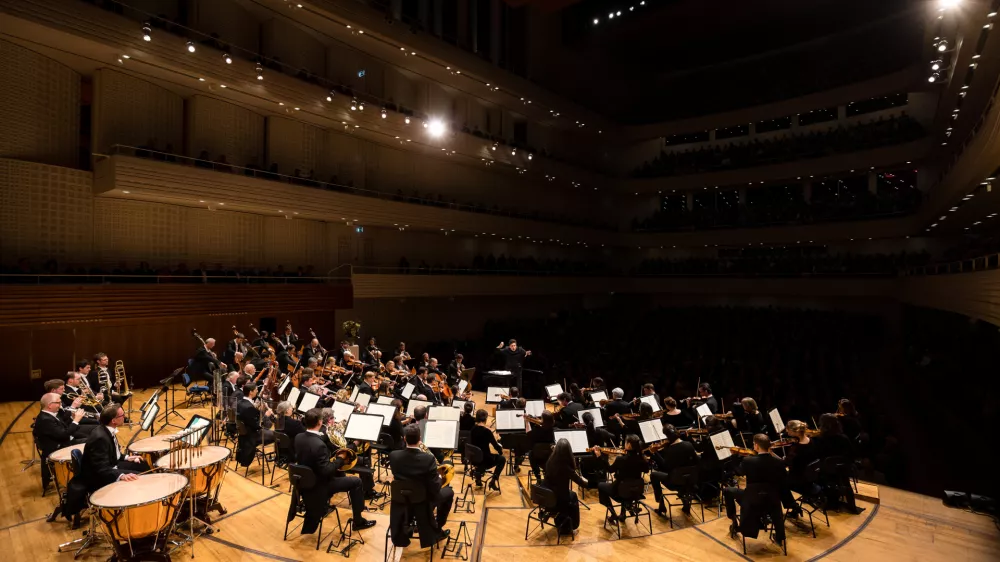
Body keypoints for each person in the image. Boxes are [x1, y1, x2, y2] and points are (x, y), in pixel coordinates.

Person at [293, 409, 377, 533]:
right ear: (320, 422)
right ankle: (358, 521)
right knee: (357, 482)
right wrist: (340, 459)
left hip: (305, 482)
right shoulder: (319, 445)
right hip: (320, 485)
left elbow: (318, 446)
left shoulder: (299, 437)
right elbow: (327, 471)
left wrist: (335, 437)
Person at [388, 425, 454, 547]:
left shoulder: (394, 456)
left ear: (404, 439)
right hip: (422, 500)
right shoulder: (428, 459)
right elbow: (434, 487)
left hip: (401, 498)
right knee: (449, 492)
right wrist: (440, 478)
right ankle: (438, 527)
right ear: (420, 439)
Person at [723, 434, 787, 545]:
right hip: (772, 500)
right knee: (773, 498)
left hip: (752, 500)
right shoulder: (779, 462)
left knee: (728, 490)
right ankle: (779, 536)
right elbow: (784, 479)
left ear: (756, 446)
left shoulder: (749, 461)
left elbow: (739, 472)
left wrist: (734, 457)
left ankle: (733, 519)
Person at [79, 404, 149, 491]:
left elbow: (114, 453)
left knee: (142, 464)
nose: (125, 417)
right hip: (100, 476)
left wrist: (127, 457)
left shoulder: (108, 429)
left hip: (111, 465)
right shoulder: (100, 438)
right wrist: (121, 475)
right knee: (142, 477)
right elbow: (101, 469)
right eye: (122, 415)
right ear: (113, 420)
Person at [34, 393, 89, 490]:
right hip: (59, 447)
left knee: (91, 438)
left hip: (64, 441)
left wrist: (72, 417)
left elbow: (63, 426)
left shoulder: (50, 414)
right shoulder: (45, 419)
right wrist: (76, 420)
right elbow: (63, 434)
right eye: (58, 403)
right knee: (90, 443)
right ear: (50, 405)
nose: (60, 405)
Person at [811, 413, 864, 514]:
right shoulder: (843, 438)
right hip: (844, 469)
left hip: (827, 470)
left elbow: (816, 455)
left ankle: (822, 496)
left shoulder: (820, 439)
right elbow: (852, 455)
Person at [648, 423, 699, 517]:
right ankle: (686, 503)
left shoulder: (670, 450)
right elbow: (696, 461)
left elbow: (665, 467)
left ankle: (661, 504)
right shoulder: (688, 444)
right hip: (690, 480)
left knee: (654, 475)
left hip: (675, 482)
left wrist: (655, 454)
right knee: (683, 473)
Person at [594, 434, 648, 522]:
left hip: (620, 492)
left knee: (601, 485)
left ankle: (613, 514)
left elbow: (610, 470)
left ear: (629, 445)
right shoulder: (642, 458)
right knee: (626, 482)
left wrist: (599, 456)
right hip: (636, 491)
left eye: (625, 442)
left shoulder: (621, 459)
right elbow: (646, 470)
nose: (624, 444)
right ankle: (624, 512)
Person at [542, 438, 588, 536]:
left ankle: (560, 519)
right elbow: (582, 483)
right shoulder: (566, 467)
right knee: (573, 496)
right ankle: (572, 525)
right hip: (558, 499)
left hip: (548, 495)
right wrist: (587, 481)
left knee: (570, 494)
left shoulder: (550, 460)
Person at [470, 409, 505, 491]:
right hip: (485, 460)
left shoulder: (472, 430)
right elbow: (496, 446)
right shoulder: (487, 432)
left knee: (483, 459)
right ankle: (493, 481)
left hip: (474, 459)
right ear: (485, 419)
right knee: (502, 459)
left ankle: (478, 472)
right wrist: (500, 451)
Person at [528, 411, 556, 480]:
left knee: (531, 454)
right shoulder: (554, 430)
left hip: (537, 456)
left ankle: (538, 477)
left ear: (543, 420)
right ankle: (547, 476)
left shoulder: (536, 430)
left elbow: (530, 439)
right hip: (550, 456)